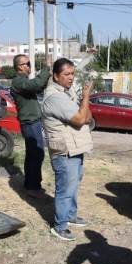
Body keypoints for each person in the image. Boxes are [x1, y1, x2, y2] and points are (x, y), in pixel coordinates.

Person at [41, 58, 93, 242]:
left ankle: (70, 215)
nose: (71, 78)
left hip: (74, 147)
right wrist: (86, 96)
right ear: (55, 76)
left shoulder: (66, 92)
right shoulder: (55, 97)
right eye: (66, 74)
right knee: (65, 188)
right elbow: (80, 119)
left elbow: (88, 117)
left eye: (73, 74)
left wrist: (83, 106)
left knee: (74, 184)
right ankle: (60, 226)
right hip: (64, 151)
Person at [10, 54, 50, 198]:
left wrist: (46, 77)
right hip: (30, 123)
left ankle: (32, 185)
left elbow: (39, 87)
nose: (29, 66)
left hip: (33, 122)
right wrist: (46, 68)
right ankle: (33, 187)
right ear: (20, 66)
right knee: (36, 154)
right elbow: (36, 84)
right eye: (27, 63)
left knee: (34, 154)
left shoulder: (24, 82)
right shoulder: (17, 82)